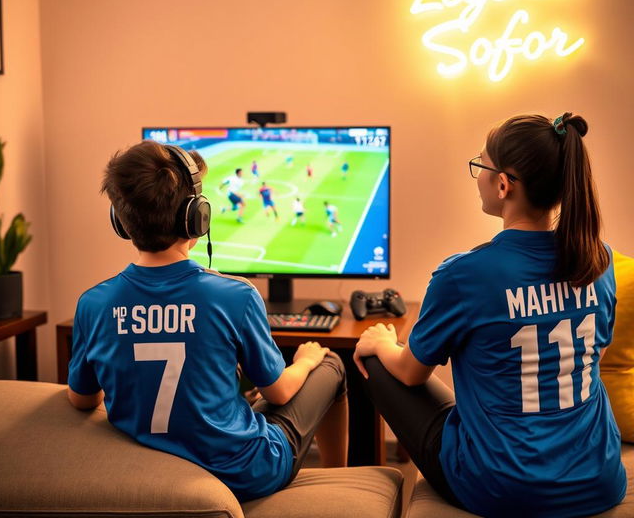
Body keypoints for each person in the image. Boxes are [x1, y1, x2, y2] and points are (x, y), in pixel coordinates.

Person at [354, 113, 626, 518]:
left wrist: (382, 343)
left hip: (503, 488)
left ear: (503, 184)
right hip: (599, 478)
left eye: (479, 165)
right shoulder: (599, 259)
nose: (477, 175)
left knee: (376, 362)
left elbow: (412, 373)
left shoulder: (464, 274)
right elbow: (594, 359)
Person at [67, 141, 348, 502]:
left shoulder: (93, 304)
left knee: (246, 393)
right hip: (245, 474)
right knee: (331, 363)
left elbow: (81, 399)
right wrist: (306, 360)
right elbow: (279, 391)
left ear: (120, 222)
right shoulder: (235, 295)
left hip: (152, 468)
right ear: (196, 216)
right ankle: (339, 482)